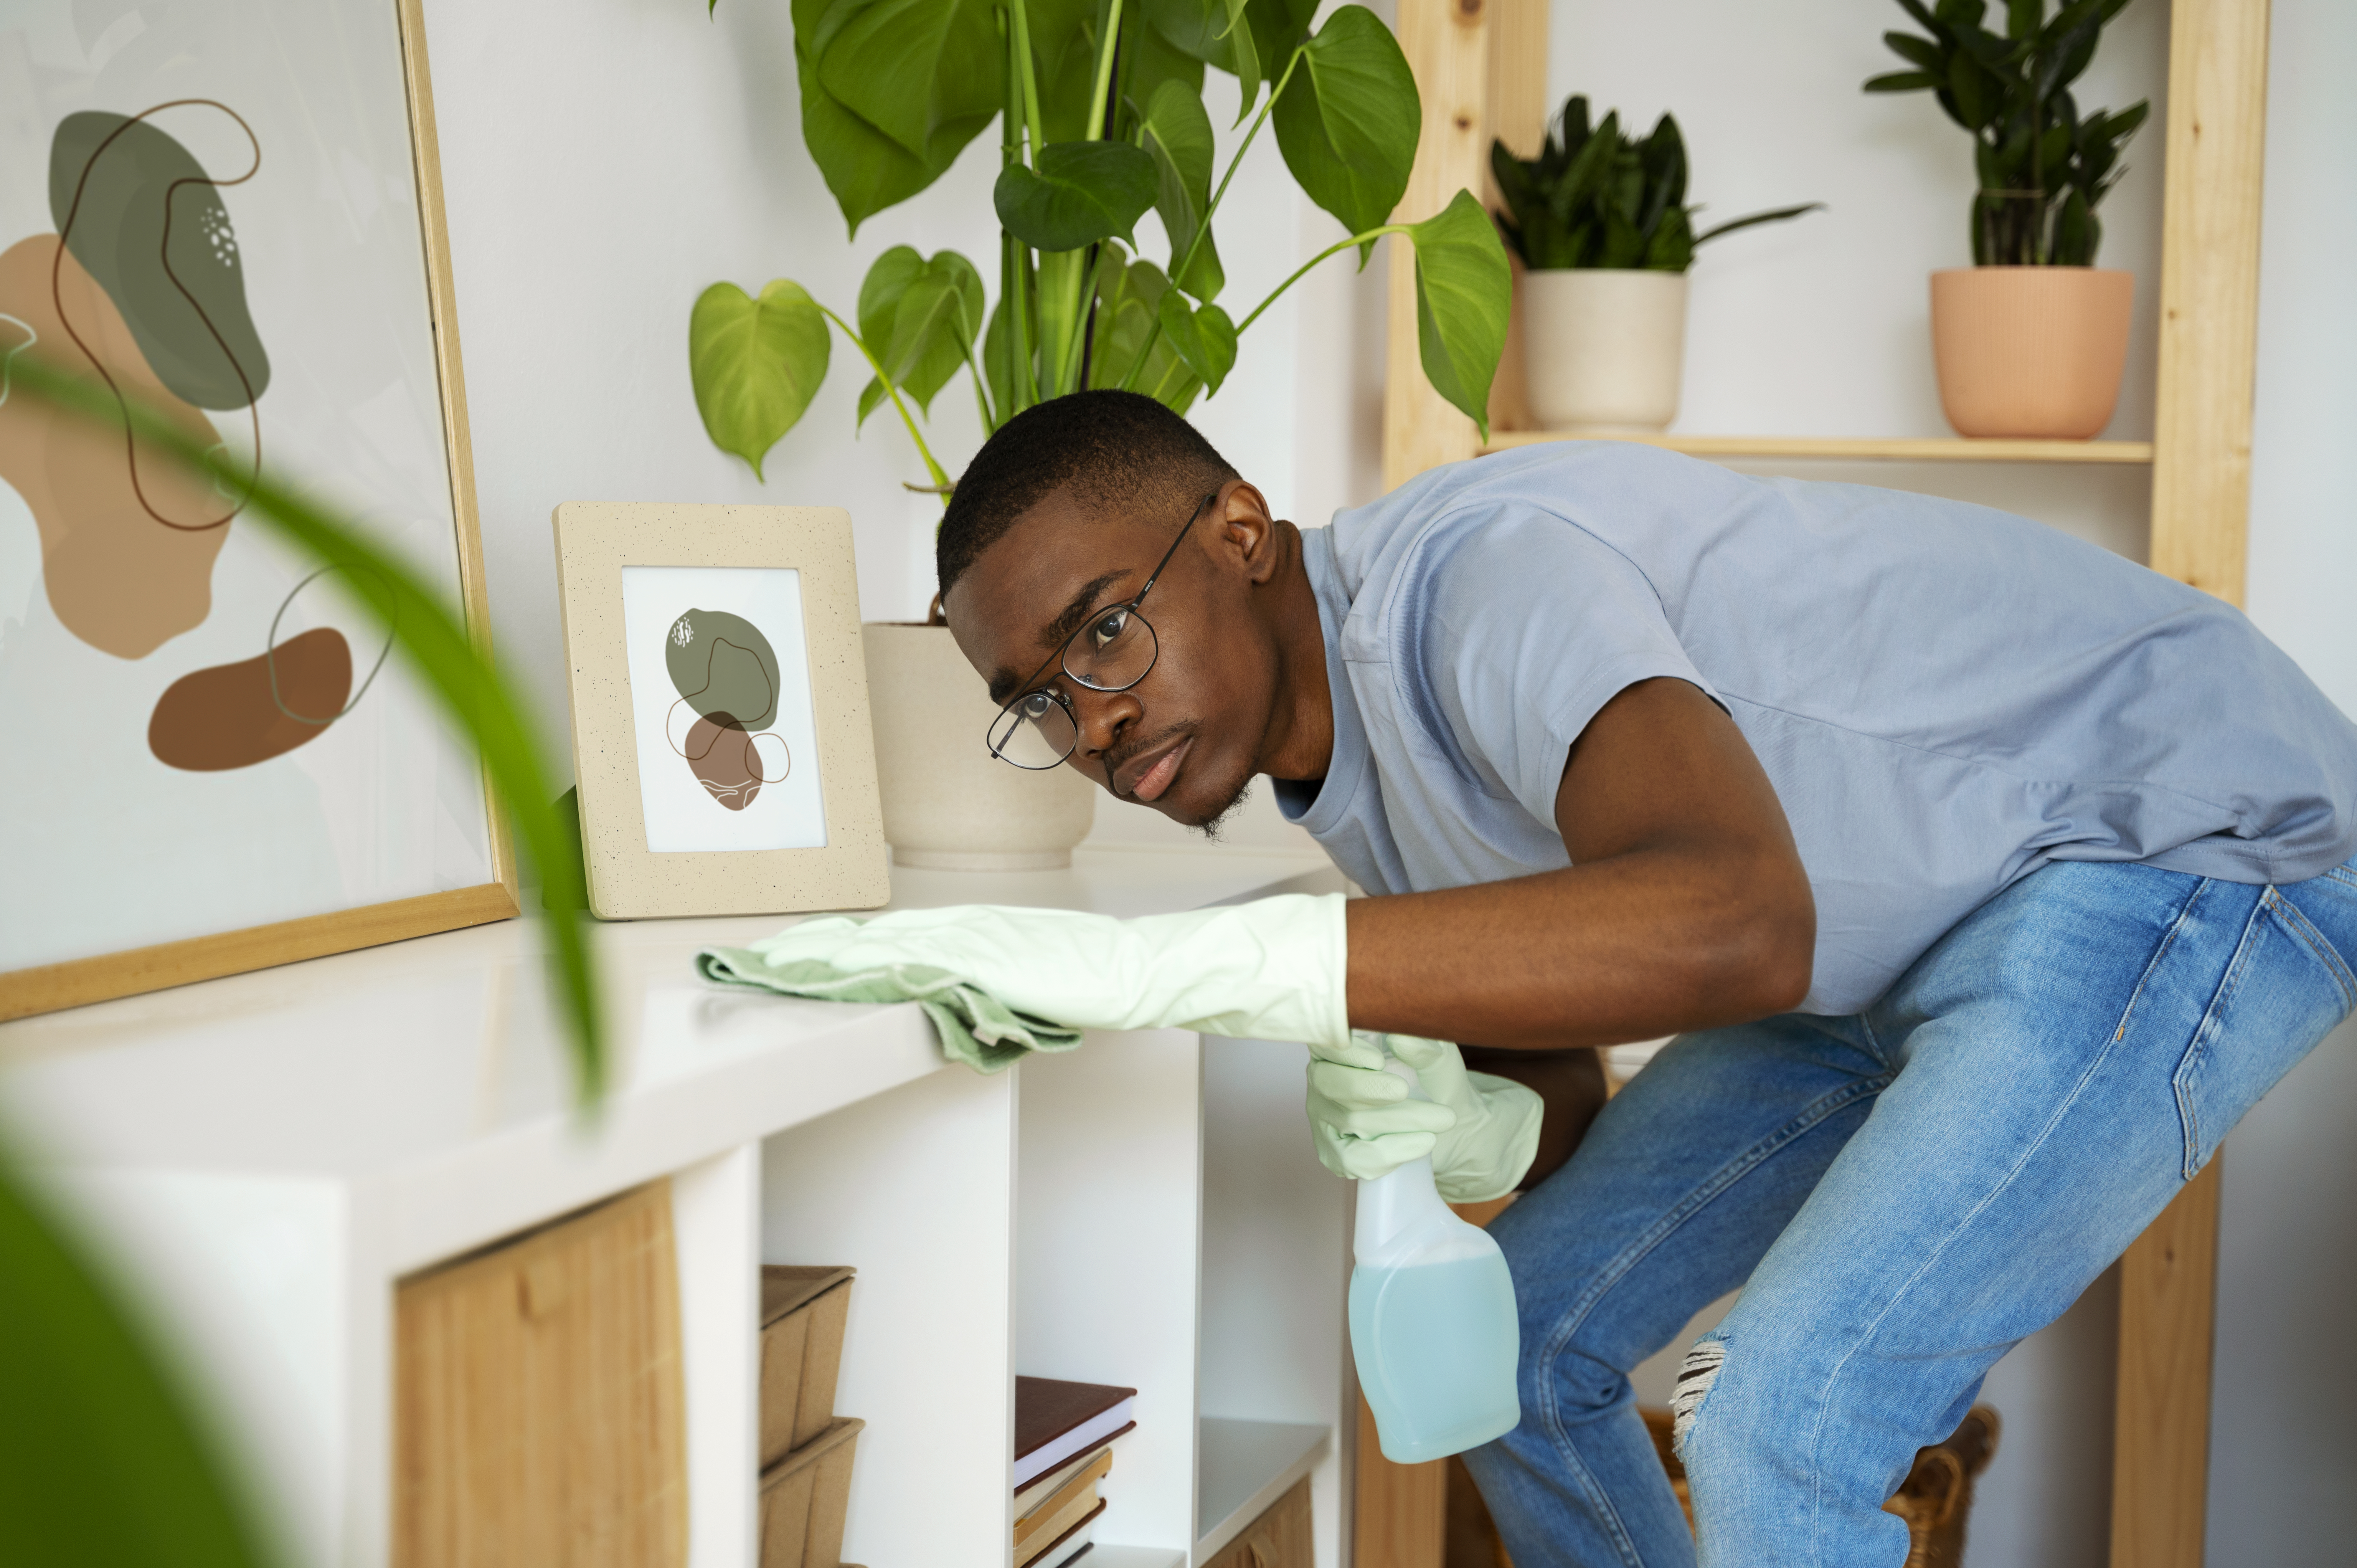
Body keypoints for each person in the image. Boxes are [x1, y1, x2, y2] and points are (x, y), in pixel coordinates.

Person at [762, 390, 2357, 1566]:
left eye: (1104, 633)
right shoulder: (1355, 791)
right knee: (1519, 1355)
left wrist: (1211, 964)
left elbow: (1737, 918)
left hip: (2181, 845)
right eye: (1034, 696)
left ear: (1242, 534)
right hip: (1894, 947)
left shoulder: (1480, 579)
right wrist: (1476, 1125)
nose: (1089, 721)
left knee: (1783, 1421)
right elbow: (1579, 1081)